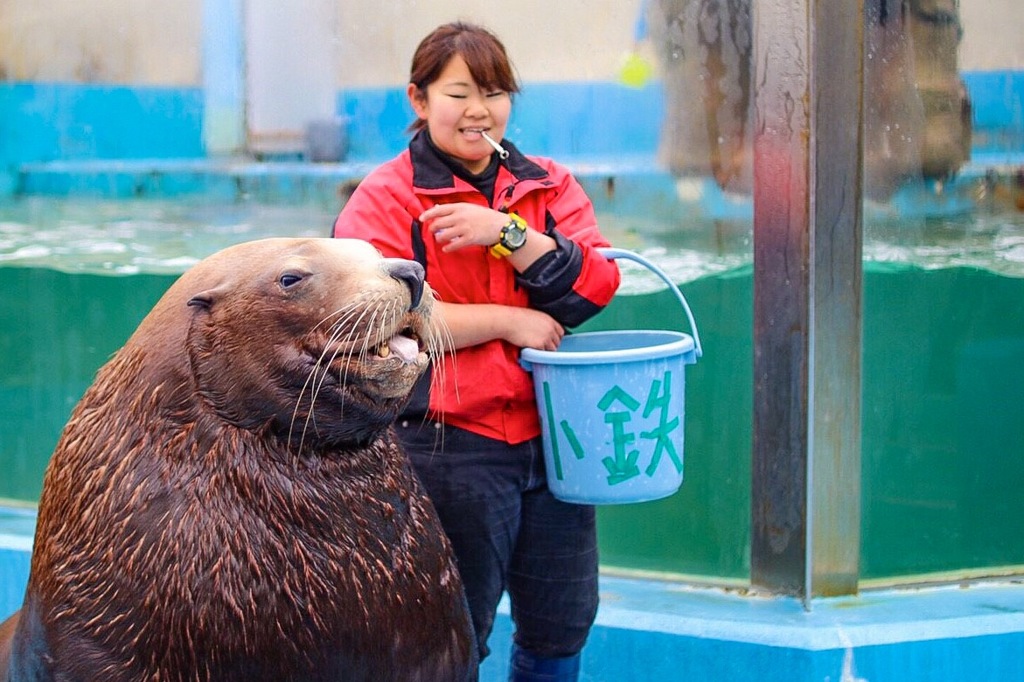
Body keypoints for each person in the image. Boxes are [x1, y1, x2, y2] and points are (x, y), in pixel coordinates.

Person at [332, 21, 621, 682]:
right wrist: (505, 322)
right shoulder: (387, 196)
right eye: (458, 93)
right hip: (445, 443)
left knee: (560, 623)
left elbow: (596, 287)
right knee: (452, 633)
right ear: (418, 99)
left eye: (494, 92)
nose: (478, 110)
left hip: (556, 442)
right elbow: (369, 319)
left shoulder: (546, 186)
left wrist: (510, 233)